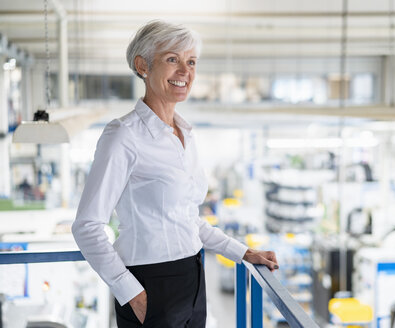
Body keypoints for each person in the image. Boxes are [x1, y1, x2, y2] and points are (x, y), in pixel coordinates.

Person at [71, 20, 278, 328]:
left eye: (191, 62)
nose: (185, 71)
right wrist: (130, 292)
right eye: (172, 60)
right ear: (143, 66)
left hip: (193, 277)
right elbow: (87, 226)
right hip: (150, 284)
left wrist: (242, 252)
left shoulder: (184, 134)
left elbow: (187, 218)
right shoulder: (123, 136)